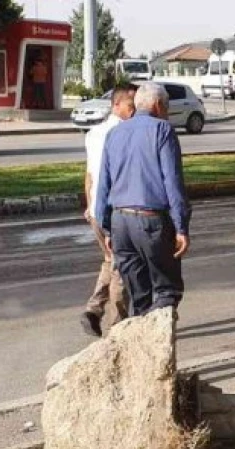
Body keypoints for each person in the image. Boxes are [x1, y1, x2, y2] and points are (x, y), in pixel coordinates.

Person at [93, 82, 191, 317]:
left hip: (120, 223)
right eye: (166, 107)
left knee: (139, 297)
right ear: (158, 105)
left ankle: (141, 344)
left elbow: (103, 185)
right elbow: (172, 182)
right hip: (151, 222)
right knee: (167, 291)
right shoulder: (162, 130)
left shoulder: (114, 133)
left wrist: (106, 230)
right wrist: (181, 227)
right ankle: (159, 349)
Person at [80, 84, 137, 337]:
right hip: (116, 210)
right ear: (116, 104)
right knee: (121, 268)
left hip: (96, 209)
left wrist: (89, 205)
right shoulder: (124, 133)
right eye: (130, 105)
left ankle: (93, 310)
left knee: (111, 261)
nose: (134, 111)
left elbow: (90, 173)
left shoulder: (93, 133)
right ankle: (119, 326)